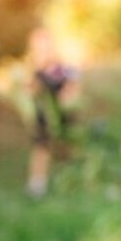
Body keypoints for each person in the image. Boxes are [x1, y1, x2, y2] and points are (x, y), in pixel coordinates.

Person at [25, 28, 77, 198]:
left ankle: (71, 175)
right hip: (44, 115)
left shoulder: (63, 69)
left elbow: (72, 87)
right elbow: (29, 91)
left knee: (68, 142)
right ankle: (37, 182)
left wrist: (67, 95)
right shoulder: (35, 72)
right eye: (40, 49)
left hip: (62, 113)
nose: (44, 52)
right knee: (42, 147)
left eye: (47, 47)